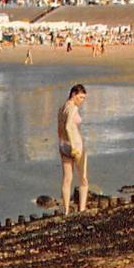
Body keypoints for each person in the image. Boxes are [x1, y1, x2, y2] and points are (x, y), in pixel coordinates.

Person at [58, 84, 88, 214]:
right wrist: (74, 145)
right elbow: (68, 126)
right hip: (74, 145)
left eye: (83, 98)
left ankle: (66, 210)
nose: (82, 101)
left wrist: (62, 141)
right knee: (83, 178)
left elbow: (60, 128)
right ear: (73, 94)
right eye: (80, 97)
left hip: (63, 145)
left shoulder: (62, 108)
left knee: (67, 179)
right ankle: (82, 209)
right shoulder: (73, 108)